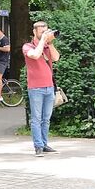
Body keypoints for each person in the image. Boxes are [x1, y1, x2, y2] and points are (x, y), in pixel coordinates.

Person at [23, 21, 60, 156]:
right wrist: (42, 41)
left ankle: (44, 144)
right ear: (34, 32)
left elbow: (56, 58)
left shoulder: (46, 46)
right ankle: (38, 146)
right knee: (36, 118)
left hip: (49, 87)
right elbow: (35, 55)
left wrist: (49, 43)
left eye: (46, 31)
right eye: (41, 31)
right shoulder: (27, 46)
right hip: (36, 88)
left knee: (46, 118)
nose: (44, 33)